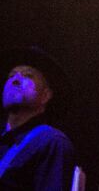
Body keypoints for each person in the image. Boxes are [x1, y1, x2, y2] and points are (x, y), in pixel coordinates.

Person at [1, 46, 75, 190]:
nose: (15, 80)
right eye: (11, 75)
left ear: (45, 96)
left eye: (27, 75)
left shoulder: (51, 142)